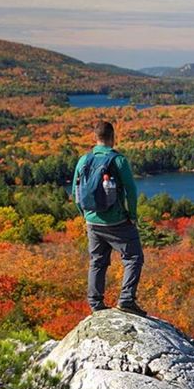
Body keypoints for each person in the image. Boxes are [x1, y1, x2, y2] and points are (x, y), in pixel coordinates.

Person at [71, 120, 146, 316]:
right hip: (117, 221)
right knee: (133, 257)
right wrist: (132, 216)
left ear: (94, 138)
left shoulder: (83, 160)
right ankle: (126, 300)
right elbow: (131, 190)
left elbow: (75, 192)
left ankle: (96, 304)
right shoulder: (118, 160)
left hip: (92, 221)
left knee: (97, 261)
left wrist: (85, 215)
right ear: (113, 137)